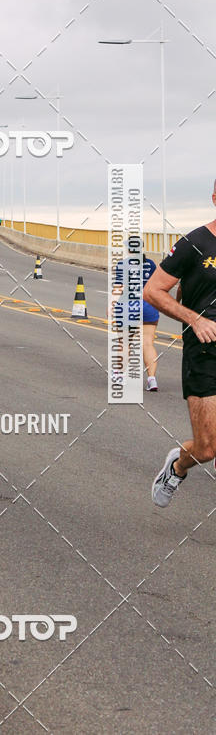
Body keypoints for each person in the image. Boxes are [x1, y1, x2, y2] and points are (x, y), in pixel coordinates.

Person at [145, 182, 216, 507]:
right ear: (214, 198)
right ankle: (177, 466)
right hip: (205, 352)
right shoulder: (195, 243)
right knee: (206, 448)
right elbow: (153, 290)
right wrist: (194, 319)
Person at [113, 242, 160, 391]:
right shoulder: (150, 264)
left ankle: (120, 376)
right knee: (148, 343)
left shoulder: (123, 264)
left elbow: (119, 287)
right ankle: (152, 380)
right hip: (148, 305)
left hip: (128, 305)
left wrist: (111, 305)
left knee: (125, 342)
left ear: (128, 249)